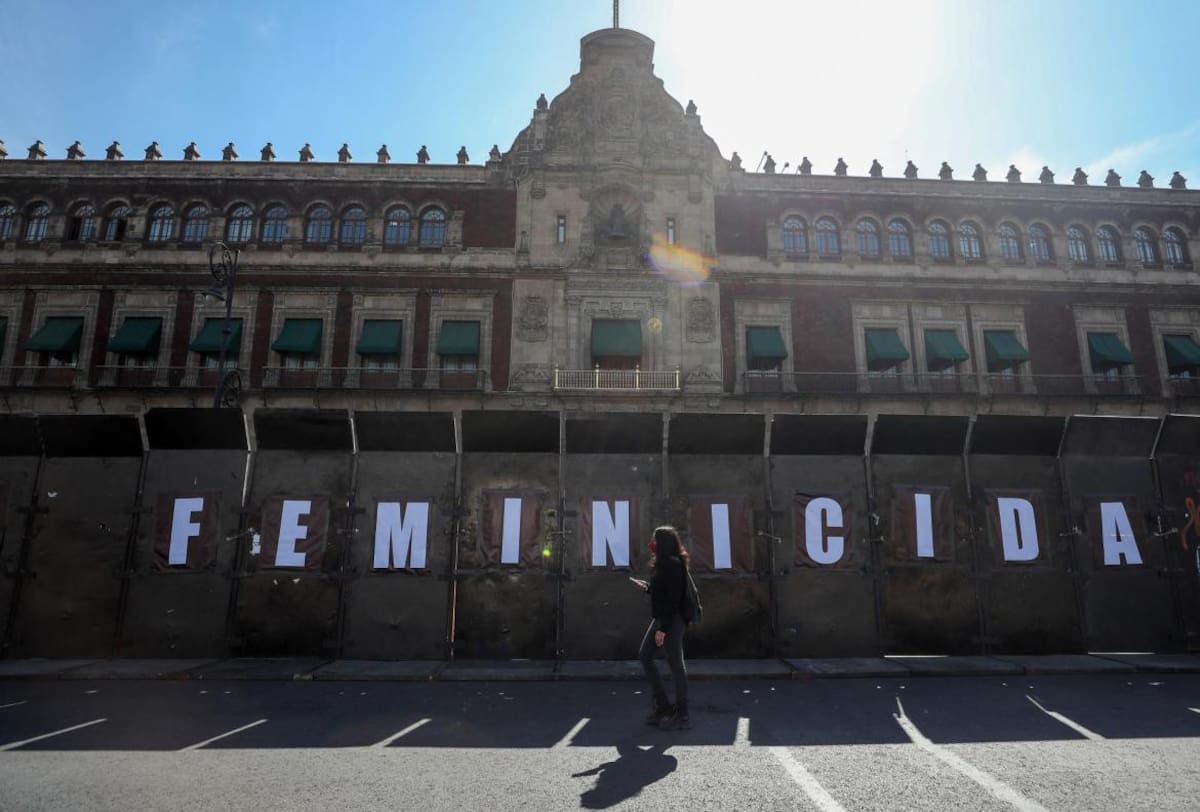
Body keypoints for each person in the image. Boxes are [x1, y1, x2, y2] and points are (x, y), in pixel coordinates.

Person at [632, 525, 691, 730]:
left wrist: (662, 629)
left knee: (675, 664)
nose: (651, 543)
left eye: (654, 540)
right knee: (645, 656)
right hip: (663, 618)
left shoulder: (673, 565)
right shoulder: (664, 564)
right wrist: (647, 588)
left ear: (663, 543)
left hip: (672, 620)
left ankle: (682, 713)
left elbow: (674, 601)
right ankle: (664, 706)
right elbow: (662, 593)